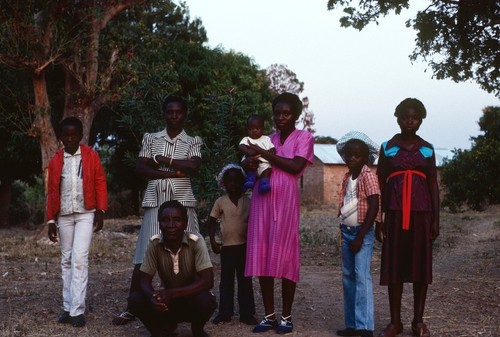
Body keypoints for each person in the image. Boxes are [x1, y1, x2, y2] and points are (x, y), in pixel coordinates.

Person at [113, 95, 203, 325]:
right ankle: (133, 306)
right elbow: (141, 167)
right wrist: (173, 173)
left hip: (183, 202)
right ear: (163, 114)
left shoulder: (193, 140)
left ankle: (192, 307)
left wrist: (161, 159)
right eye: (170, 112)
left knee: (189, 252)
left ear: (185, 114)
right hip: (155, 201)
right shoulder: (151, 138)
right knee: (144, 252)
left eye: (178, 112)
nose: (174, 116)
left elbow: (192, 166)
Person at [242, 92, 314, 334]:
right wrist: (247, 163)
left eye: (286, 113)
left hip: (285, 201)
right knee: (263, 255)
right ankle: (270, 315)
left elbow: (295, 166)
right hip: (262, 200)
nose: (280, 117)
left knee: (285, 255)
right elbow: (248, 159)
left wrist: (262, 154)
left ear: (295, 115)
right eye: (277, 113)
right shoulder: (266, 137)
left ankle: (286, 316)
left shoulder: (304, 137)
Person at [376, 98, 440, 337]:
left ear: (421, 119)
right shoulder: (388, 147)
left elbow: (433, 184)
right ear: (397, 118)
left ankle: (418, 321)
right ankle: (395, 322)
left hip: (422, 214)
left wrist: (436, 219)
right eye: (404, 117)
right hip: (393, 213)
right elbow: (380, 182)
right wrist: (378, 220)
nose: (409, 121)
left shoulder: (427, 148)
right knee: (395, 267)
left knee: (420, 268)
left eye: (414, 117)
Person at [46, 116, 108, 328]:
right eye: (66, 135)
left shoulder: (90, 156)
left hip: (85, 213)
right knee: (66, 260)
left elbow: (100, 181)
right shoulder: (56, 160)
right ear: (61, 137)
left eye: (74, 135)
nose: (70, 139)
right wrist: (50, 220)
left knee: (79, 259)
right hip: (63, 215)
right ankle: (67, 306)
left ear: (81, 136)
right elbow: (52, 191)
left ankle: (78, 311)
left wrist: (100, 210)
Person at [127, 200, 216, 337]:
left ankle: (197, 329)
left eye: (177, 220)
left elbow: (207, 281)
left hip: (190, 300)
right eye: (165, 220)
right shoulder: (155, 243)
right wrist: (154, 296)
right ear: (159, 224)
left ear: (185, 224)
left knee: (206, 300)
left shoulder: (195, 241)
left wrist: (172, 293)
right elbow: (144, 279)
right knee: (135, 299)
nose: (171, 225)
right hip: (167, 304)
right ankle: (159, 332)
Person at [335, 131, 381, 337]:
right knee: (348, 277)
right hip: (347, 232)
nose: (352, 158)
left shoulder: (368, 176)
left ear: (365, 158)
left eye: (357, 155)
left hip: (362, 233)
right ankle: (352, 325)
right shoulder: (347, 177)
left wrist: (361, 236)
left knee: (362, 277)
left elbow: (374, 206)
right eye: (349, 155)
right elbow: (347, 202)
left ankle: (365, 327)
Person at [207, 164, 257, 325]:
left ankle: (247, 314)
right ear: (224, 183)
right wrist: (213, 241)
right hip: (227, 248)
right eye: (230, 181)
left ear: (243, 182)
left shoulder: (248, 201)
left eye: (237, 181)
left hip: (244, 248)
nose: (233, 184)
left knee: (245, 282)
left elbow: (254, 223)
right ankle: (225, 312)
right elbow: (211, 221)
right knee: (226, 282)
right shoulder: (220, 202)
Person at [238, 114, 275, 194]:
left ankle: (264, 183)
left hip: (263, 163)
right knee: (250, 169)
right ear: (247, 129)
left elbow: (272, 147)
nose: (254, 131)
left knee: (267, 169)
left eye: (257, 128)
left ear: (262, 129)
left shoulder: (266, 139)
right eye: (251, 129)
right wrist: (248, 151)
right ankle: (250, 180)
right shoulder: (247, 139)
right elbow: (241, 146)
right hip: (251, 161)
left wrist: (272, 150)